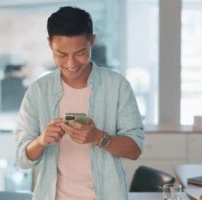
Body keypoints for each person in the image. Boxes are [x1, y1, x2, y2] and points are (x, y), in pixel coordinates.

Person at [14, 6, 144, 200]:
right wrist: (41, 140)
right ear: (50, 44)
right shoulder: (38, 91)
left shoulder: (117, 86)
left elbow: (134, 149)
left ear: (92, 40)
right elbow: (22, 158)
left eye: (80, 53)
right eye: (62, 55)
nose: (71, 63)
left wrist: (98, 137)